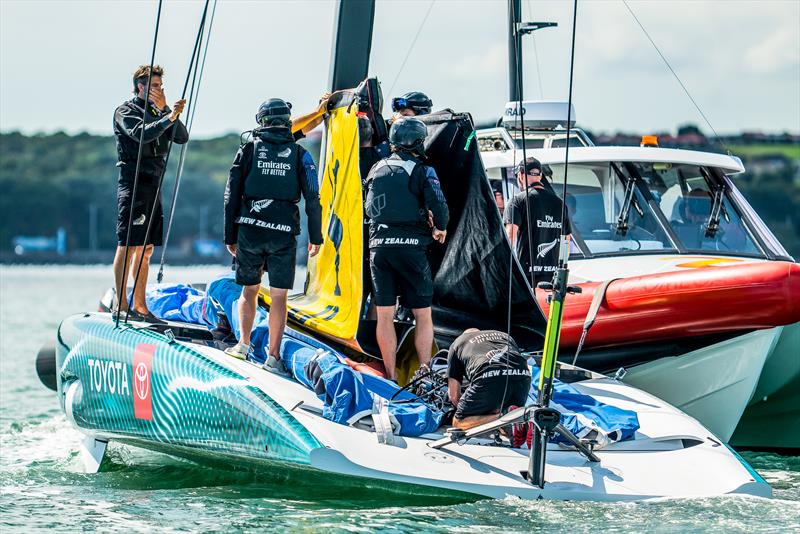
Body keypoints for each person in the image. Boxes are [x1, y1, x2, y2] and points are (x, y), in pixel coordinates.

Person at [223, 98, 323, 374]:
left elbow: (231, 196)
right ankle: (273, 357)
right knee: (279, 297)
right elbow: (313, 198)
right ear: (287, 121)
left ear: (261, 121)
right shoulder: (302, 155)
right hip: (283, 233)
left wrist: (229, 235)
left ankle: (242, 345)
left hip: (250, 231)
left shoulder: (248, 150)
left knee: (249, 290)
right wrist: (317, 236)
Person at [364, 117, 449, 382]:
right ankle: (424, 373)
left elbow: (369, 209)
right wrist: (440, 228)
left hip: (379, 249)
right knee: (423, 314)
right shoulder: (423, 170)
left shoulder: (375, 168)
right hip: (411, 249)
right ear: (417, 142)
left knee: (385, 314)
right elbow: (439, 205)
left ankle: (389, 375)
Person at [112, 64, 188, 323]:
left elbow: (182, 137)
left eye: (161, 86)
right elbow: (140, 135)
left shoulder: (161, 112)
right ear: (141, 88)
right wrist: (167, 118)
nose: (160, 90)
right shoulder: (126, 111)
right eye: (155, 86)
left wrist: (168, 111)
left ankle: (141, 306)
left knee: (146, 249)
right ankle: (120, 304)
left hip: (154, 185)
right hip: (134, 184)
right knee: (129, 245)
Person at [504, 157, 571, 286]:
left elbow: (509, 238)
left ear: (521, 175)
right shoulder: (559, 203)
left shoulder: (517, 201)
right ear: (540, 176)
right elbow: (566, 244)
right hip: (553, 278)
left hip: (526, 278)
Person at [447, 329, 532, 430]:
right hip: (523, 376)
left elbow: (454, 396)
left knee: (459, 422)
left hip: (488, 375)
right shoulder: (505, 335)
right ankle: (523, 420)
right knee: (510, 419)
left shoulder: (458, 342)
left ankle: (502, 417)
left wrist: (475, 412)